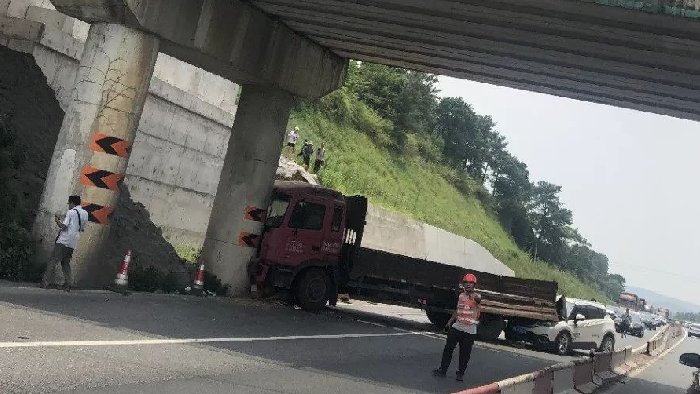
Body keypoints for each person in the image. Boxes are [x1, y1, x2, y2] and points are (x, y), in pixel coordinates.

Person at [433, 273, 481, 381]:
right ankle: (442, 369)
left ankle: (460, 374)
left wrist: (473, 295)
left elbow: (478, 299)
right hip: (457, 327)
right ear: (463, 284)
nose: (468, 285)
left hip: (469, 331)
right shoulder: (461, 296)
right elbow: (457, 310)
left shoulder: (476, 297)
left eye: (470, 283)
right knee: (448, 349)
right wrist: (449, 322)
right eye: (466, 283)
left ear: (474, 285)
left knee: (464, 354)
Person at [41, 195, 88, 292]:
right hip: (73, 242)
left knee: (53, 261)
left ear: (72, 203)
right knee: (65, 263)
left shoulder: (71, 212)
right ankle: (68, 284)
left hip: (64, 240)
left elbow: (64, 226)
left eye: (69, 204)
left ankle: (45, 282)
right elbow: (82, 228)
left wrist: (57, 220)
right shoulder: (85, 213)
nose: (68, 206)